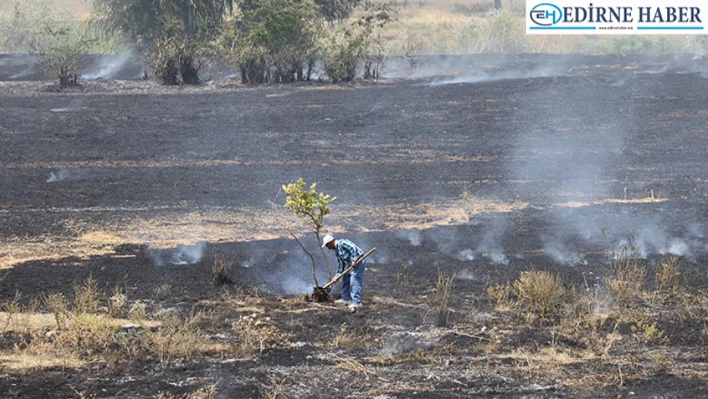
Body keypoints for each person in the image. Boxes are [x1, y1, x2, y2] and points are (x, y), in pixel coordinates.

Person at [322, 234, 366, 311]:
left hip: (359, 262)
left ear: (330, 243)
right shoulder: (337, 251)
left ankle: (357, 303)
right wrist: (337, 276)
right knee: (346, 279)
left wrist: (354, 261)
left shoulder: (343, 243)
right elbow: (341, 264)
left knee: (354, 281)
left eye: (327, 246)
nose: (328, 248)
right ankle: (346, 299)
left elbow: (354, 249)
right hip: (351, 264)